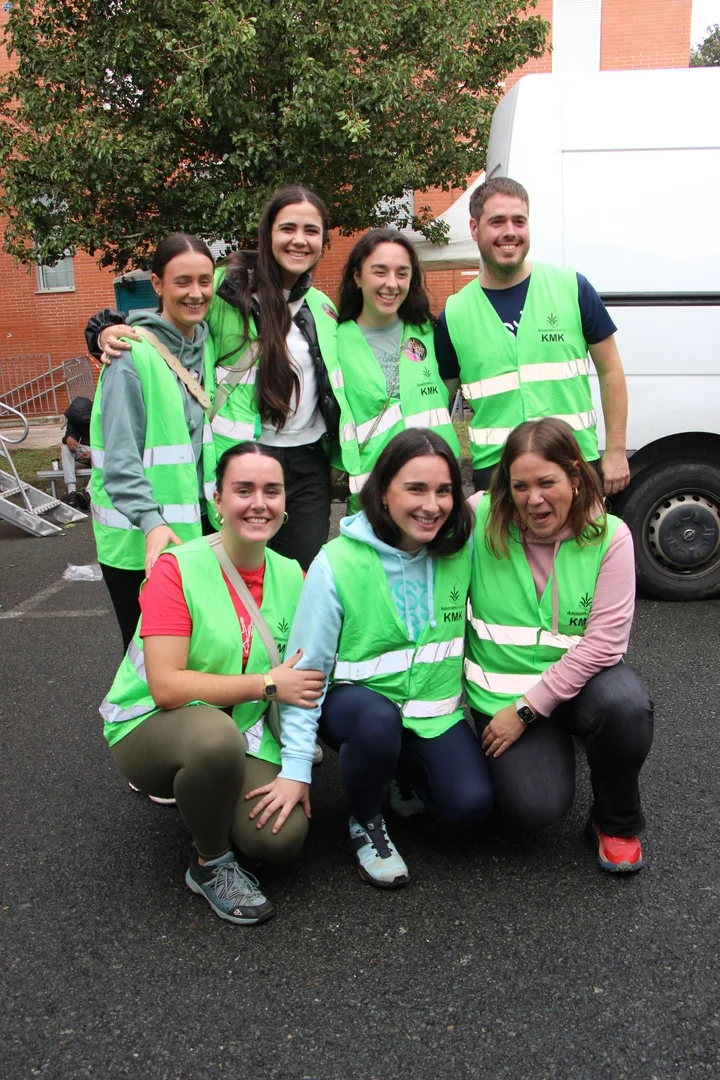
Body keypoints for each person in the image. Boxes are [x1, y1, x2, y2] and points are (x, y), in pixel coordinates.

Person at [99, 443, 326, 925]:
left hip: (239, 727)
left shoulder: (293, 575)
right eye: (243, 490)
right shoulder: (177, 568)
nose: (259, 503)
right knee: (212, 740)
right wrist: (268, 684)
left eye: (272, 491)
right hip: (151, 724)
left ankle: (212, 794)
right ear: (217, 500)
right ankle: (210, 862)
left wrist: (296, 766)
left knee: (280, 840)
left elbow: (307, 677)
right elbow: (166, 687)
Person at [88, 186, 348, 571]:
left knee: (300, 579)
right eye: (287, 228)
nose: (299, 240)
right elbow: (168, 324)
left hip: (308, 466)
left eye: (311, 231)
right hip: (240, 460)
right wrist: (104, 330)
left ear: (323, 240)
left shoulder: (323, 306)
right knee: (237, 581)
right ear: (267, 233)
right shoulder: (225, 286)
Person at [280, 428, 493, 889]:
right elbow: (305, 672)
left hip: (431, 715)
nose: (431, 505)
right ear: (382, 492)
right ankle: (365, 819)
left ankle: (399, 769)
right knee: (377, 725)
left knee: (469, 805)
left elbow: (516, 501)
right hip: (357, 711)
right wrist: (295, 767)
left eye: (443, 491)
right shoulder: (336, 562)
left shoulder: (460, 548)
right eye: (415, 489)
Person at [465, 417, 653, 872]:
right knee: (536, 807)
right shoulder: (479, 516)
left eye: (546, 482)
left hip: (568, 691)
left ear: (575, 476)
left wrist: (526, 710)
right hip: (503, 692)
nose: (534, 499)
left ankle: (615, 822)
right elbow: (413, 528)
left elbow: (604, 645)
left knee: (626, 705)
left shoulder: (610, 536)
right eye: (520, 486)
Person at [435, 177, 631, 496]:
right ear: (474, 228)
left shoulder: (573, 288)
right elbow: (436, 402)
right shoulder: (454, 314)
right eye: (497, 222)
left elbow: (611, 370)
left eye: (519, 221)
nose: (510, 231)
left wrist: (616, 450)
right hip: (496, 475)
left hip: (574, 464)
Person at [89, 233, 217, 652]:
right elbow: (120, 458)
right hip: (138, 542)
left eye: (204, 281)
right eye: (183, 282)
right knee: (147, 665)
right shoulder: (129, 355)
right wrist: (150, 521)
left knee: (196, 656)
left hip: (193, 535)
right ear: (158, 284)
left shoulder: (206, 347)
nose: (196, 293)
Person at [335, 228, 460, 509]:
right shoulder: (334, 342)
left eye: (402, 273)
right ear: (357, 276)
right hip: (374, 498)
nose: (391, 284)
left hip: (437, 494)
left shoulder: (431, 333)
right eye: (380, 272)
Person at [61, 395, 92, 510]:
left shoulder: (102, 416)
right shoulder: (73, 417)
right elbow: (71, 432)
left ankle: (88, 494)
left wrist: (94, 453)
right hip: (85, 449)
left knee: (105, 458)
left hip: (103, 451)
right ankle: (72, 492)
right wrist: (68, 438)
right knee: (65, 448)